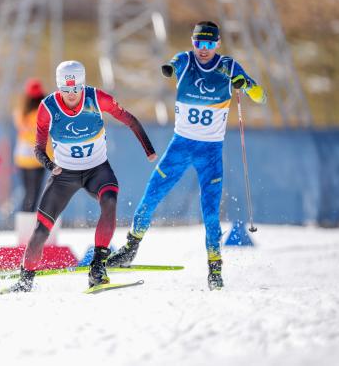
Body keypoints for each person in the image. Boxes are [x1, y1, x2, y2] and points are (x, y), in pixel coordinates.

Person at [107, 21, 267, 290]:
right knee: (151, 195)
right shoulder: (184, 60)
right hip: (180, 147)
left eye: (208, 44)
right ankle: (130, 248)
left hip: (210, 152)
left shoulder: (229, 67)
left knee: (210, 212)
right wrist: (170, 69)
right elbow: (172, 65)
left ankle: (215, 269)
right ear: (192, 43)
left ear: (217, 44)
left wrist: (246, 84)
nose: (203, 50)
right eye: (198, 43)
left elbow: (261, 97)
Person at [4, 60, 157, 292]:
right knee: (42, 228)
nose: (72, 95)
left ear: (82, 85)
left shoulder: (97, 98)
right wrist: (49, 164)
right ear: (59, 88)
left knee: (110, 202)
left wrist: (149, 149)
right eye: (66, 90)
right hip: (64, 174)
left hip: (97, 170)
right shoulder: (48, 107)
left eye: (76, 89)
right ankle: (25, 280)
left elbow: (129, 119)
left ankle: (97, 266)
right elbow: (38, 147)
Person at [13, 78, 49, 213]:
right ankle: (28, 222)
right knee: (34, 194)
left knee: (28, 192)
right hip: (37, 158)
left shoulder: (21, 112)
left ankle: (25, 221)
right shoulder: (44, 112)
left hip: (22, 157)